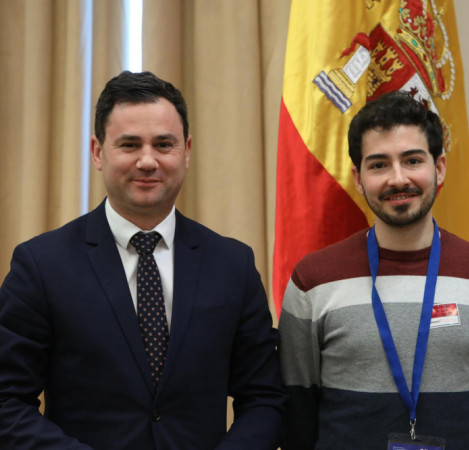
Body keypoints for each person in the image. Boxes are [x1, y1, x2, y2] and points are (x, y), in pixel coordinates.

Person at [0, 71, 286, 449]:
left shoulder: (232, 264)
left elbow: (265, 399)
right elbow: (7, 402)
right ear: (98, 152)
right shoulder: (41, 265)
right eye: (130, 145)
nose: (147, 161)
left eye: (163, 144)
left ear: (186, 150)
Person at [278, 91, 469, 449]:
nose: (397, 179)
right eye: (379, 164)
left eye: (412, 160)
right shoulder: (313, 281)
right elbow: (297, 416)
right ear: (358, 176)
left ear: (438, 168)